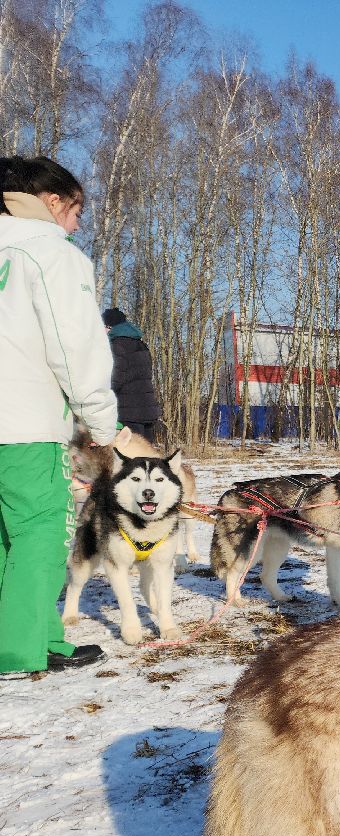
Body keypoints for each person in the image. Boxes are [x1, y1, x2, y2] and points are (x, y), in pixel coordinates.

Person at [0, 155, 118, 673]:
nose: (74, 227)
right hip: (24, 422)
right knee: (42, 528)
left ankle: (41, 635)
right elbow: (74, 347)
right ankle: (18, 649)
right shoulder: (51, 254)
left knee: (8, 535)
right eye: (75, 214)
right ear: (51, 203)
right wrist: (101, 419)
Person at [102, 307, 162, 443]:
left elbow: (115, 379)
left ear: (109, 327)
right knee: (146, 454)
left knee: (131, 457)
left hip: (128, 412)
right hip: (146, 410)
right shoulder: (141, 344)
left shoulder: (117, 345)